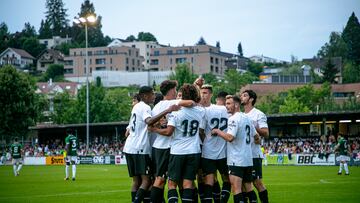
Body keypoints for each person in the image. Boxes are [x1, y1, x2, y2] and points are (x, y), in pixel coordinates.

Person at [149, 83, 204, 203]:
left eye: (179, 93)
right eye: (175, 90)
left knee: (170, 183)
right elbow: (193, 103)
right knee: (187, 183)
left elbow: (168, 131)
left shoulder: (174, 110)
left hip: (175, 150)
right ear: (170, 91)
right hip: (192, 150)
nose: (176, 93)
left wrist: (155, 129)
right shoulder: (200, 111)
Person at [123, 86, 180, 203]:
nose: (154, 96)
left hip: (129, 147)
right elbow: (148, 121)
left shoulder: (136, 107)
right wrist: (167, 110)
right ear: (144, 96)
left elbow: (127, 131)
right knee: (147, 181)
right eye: (152, 94)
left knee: (136, 181)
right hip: (140, 148)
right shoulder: (145, 107)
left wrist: (157, 123)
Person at [212, 95, 257, 203]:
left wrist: (217, 131)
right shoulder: (247, 118)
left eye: (228, 104)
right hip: (247, 159)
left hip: (236, 160)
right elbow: (257, 137)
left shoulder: (233, 119)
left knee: (236, 188)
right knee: (249, 187)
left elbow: (230, 137)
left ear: (236, 105)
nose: (226, 106)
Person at [199, 85, 231, 203]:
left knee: (208, 181)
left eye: (205, 93)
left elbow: (201, 131)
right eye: (202, 93)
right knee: (225, 179)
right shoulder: (227, 111)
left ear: (212, 95)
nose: (203, 95)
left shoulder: (206, 111)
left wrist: (205, 140)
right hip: (223, 151)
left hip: (209, 151)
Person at [240, 90, 269, 203]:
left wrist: (253, 127)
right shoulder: (241, 115)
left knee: (257, 183)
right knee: (243, 183)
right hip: (242, 155)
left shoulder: (258, 114)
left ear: (251, 99)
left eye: (245, 95)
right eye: (241, 95)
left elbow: (266, 133)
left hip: (253, 154)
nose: (242, 97)